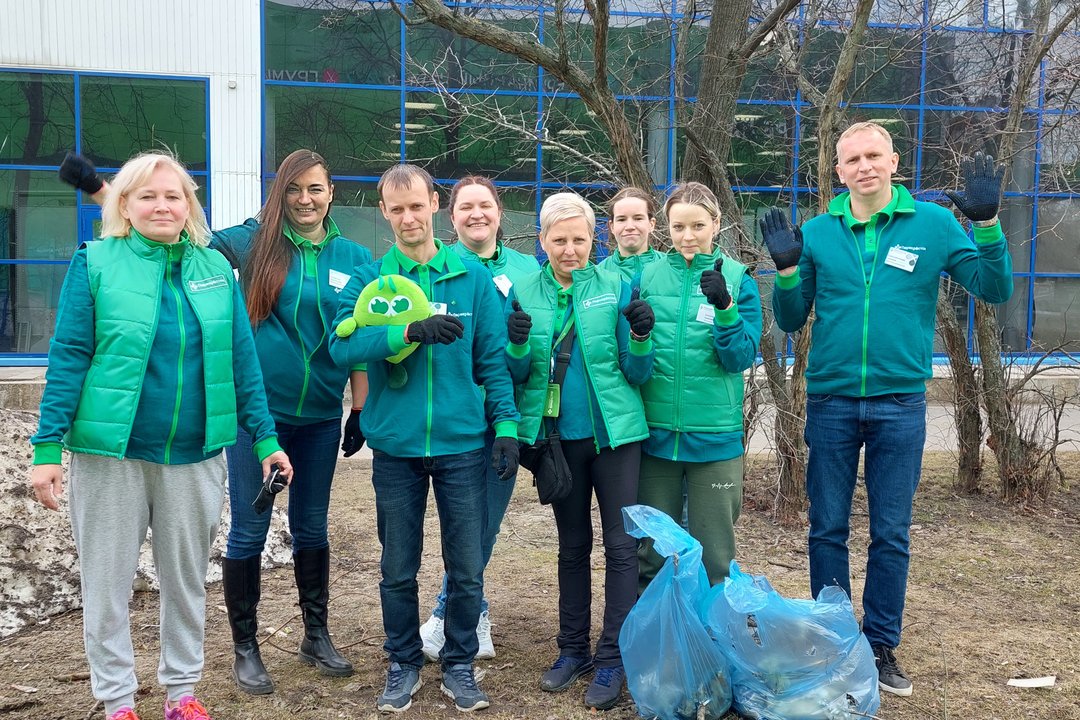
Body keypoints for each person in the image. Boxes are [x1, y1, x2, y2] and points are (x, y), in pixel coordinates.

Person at [58, 149, 373, 694]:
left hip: (320, 414)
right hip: (257, 414)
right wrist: (100, 190)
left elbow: (365, 332)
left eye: (316, 188)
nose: (305, 198)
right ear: (279, 192)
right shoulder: (252, 242)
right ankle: (246, 648)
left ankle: (315, 633)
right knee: (249, 529)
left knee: (312, 528)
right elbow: (169, 235)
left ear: (331, 193)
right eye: (294, 188)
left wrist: (360, 407)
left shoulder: (356, 255)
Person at [30, 151, 292, 720]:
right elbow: (69, 356)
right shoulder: (96, 263)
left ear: (189, 205)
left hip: (195, 454)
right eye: (147, 195)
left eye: (174, 195)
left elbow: (241, 363)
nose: (162, 205)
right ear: (124, 204)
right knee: (107, 585)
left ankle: (181, 694)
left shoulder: (216, 271)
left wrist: (267, 438)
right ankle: (118, 701)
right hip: (110, 456)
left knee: (186, 581)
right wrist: (47, 448)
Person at [764, 122, 1013, 697]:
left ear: (894, 161)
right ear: (838, 170)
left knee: (891, 532)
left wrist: (989, 225)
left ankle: (879, 645)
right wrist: (783, 272)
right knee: (827, 528)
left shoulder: (933, 224)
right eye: (852, 159)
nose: (864, 166)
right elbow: (790, 318)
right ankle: (831, 640)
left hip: (900, 402)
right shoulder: (820, 232)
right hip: (830, 400)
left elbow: (993, 288)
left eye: (874, 155)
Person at [328, 164, 520, 713]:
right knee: (397, 566)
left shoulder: (471, 277)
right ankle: (403, 661)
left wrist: (505, 428)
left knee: (466, 566)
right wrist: (406, 331)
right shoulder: (373, 281)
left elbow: (492, 362)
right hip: (397, 449)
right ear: (384, 213)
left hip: (463, 446)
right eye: (397, 209)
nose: (409, 218)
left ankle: (458, 663)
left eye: (417, 206)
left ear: (435, 204)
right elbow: (340, 349)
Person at [506, 192, 655, 711]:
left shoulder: (616, 284)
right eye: (559, 239)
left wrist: (640, 336)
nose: (570, 249)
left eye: (580, 239)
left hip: (614, 439)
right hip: (557, 442)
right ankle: (571, 651)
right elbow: (516, 374)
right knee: (572, 548)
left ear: (596, 240)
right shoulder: (524, 288)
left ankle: (612, 658)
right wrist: (518, 345)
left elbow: (638, 373)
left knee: (620, 548)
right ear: (542, 241)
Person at [419, 176, 540, 662]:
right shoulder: (442, 266)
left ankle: (456, 612)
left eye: (485, 205)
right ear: (451, 217)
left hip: (506, 416)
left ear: (499, 212)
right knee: (465, 529)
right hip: (460, 416)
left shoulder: (527, 270)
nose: (476, 214)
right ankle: (468, 611)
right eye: (465, 207)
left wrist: (518, 343)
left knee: (484, 526)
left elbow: (529, 358)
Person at [635, 182, 762, 589]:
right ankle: (656, 643)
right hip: (655, 439)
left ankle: (712, 643)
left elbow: (739, 358)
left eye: (697, 226)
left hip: (714, 439)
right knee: (652, 556)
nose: (687, 237)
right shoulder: (648, 276)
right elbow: (636, 363)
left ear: (717, 224)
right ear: (666, 229)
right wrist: (637, 337)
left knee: (715, 556)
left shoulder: (740, 280)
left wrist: (725, 308)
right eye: (677, 228)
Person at [598, 187, 662, 281]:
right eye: (621, 219)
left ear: (651, 224)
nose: (629, 227)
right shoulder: (599, 275)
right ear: (612, 226)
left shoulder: (672, 268)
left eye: (638, 218)